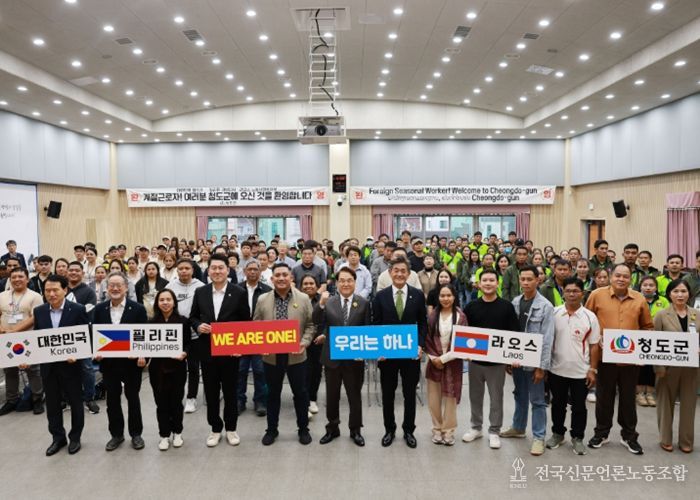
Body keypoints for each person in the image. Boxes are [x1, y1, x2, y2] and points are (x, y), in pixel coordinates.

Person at [585, 264, 653, 454]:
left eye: (625, 276)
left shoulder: (639, 298)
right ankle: (601, 433)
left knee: (628, 399)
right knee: (604, 398)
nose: (621, 279)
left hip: (630, 359)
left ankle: (629, 436)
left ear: (631, 279)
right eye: (618, 275)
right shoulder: (596, 295)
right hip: (604, 357)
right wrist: (596, 339)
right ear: (610, 276)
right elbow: (586, 321)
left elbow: (647, 327)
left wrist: (641, 349)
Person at [189, 254, 250, 447]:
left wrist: (240, 347)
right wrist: (198, 326)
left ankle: (231, 428)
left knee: (231, 392)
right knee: (211, 392)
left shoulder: (239, 292)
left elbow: (245, 322)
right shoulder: (201, 292)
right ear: (208, 271)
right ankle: (215, 428)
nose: (217, 271)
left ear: (227, 270)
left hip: (230, 352)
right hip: (207, 351)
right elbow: (193, 317)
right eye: (213, 268)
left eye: (220, 268)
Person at [254, 262, 315, 446]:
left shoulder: (303, 298)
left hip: (297, 355)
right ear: (272, 279)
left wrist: (304, 342)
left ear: (291, 277)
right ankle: (271, 430)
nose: (281, 278)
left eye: (285, 275)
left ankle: (303, 429)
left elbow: (311, 325)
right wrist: (260, 344)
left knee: (300, 393)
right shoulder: (262, 299)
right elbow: (256, 325)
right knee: (273, 394)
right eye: (277, 275)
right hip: (271, 356)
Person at [373, 256, 427, 449]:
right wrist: (378, 349)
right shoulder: (380, 296)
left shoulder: (417, 295)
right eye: (396, 270)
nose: (399, 274)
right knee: (388, 394)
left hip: (410, 354)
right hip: (387, 355)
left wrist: (420, 345)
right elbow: (376, 324)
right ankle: (389, 429)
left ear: (409, 273)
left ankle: (409, 430)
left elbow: (423, 324)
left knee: (409, 394)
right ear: (390, 272)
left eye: (403, 271)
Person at [462, 269, 519, 449]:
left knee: (496, 398)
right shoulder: (471, 307)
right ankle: (476, 428)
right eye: (484, 280)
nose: (488, 283)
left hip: (497, 364)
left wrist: (514, 356)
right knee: (475, 397)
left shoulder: (506, 306)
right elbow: (464, 332)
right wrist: (465, 353)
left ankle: (494, 431)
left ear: (497, 283)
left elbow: (514, 333)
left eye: (491, 280)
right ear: (479, 284)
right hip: (475, 362)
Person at [312, 267, 370, 446]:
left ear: (355, 282)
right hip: (332, 358)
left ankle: (355, 430)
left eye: (349, 280)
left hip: (355, 359)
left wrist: (364, 353)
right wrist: (321, 304)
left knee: (354, 396)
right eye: (342, 280)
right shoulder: (329, 302)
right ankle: (332, 428)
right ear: (336, 283)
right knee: (332, 396)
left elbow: (368, 330)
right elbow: (317, 321)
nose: (346, 284)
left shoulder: (363, 303)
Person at [33, 274, 89, 456]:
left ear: (65, 290)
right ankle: (58, 438)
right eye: (47, 290)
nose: (51, 294)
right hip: (48, 367)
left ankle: (75, 437)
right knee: (52, 404)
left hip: (71, 367)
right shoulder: (39, 311)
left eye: (55, 290)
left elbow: (85, 337)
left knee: (75, 403)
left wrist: (77, 355)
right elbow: (37, 338)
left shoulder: (78, 309)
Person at [501, 266, 554, 456]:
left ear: (538, 280)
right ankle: (518, 427)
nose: (525, 283)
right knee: (519, 394)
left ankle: (539, 437)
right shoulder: (515, 302)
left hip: (535, 362)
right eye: (522, 279)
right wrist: (508, 359)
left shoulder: (546, 306)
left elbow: (547, 339)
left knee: (538, 400)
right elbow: (509, 333)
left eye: (529, 279)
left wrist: (542, 367)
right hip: (517, 360)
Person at [93, 272, 149, 452]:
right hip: (109, 364)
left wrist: (142, 355)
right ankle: (116, 435)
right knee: (112, 401)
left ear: (126, 288)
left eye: (119, 285)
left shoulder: (138, 309)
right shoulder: (99, 309)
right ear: (106, 288)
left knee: (133, 398)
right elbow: (95, 335)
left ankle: (136, 434)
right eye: (111, 285)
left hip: (131, 364)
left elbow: (144, 335)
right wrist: (96, 351)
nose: (115, 288)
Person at [546, 277, 601, 456]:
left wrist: (592, 369)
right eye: (568, 291)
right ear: (563, 292)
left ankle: (577, 437)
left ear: (582, 293)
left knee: (579, 407)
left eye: (575, 291)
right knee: (557, 405)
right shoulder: (554, 313)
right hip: (556, 369)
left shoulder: (590, 317)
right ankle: (558, 433)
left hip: (581, 372)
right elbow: (547, 341)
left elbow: (594, 345)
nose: (571, 294)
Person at [653, 279, 698, 453]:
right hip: (667, 368)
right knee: (665, 404)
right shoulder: (661, 315)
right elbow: (654, 342)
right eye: (676, 291)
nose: (680, 295)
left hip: (691, 368)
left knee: (689, 405)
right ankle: (665, 439)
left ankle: (686, 441)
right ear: (669, 294)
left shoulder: (697, 314)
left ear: (689, 294)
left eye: (683, 291)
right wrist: (658, 368)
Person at [425, 283, 467, 446]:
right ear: (438, 297)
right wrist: (434, 359)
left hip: (452, 362)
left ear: (454, 297)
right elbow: (427, 339)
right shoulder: (432, 316)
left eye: (449, 295)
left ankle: (448, 431)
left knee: (450, 398)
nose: (445, 299)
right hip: (433, 361)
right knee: (433, 398)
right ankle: (436, 429)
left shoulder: (461, 317)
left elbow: (463, 343)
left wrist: (443, 359)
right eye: (442, 296)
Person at [148, 289, 191, 451]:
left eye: (168, 299)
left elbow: (188, 343)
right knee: (161, 402)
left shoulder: (183, 321)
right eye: (161, 300)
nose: (165, 303)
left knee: (176, 401)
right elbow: (146, 345)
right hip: (157, 369)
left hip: (177, 367)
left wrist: (184, 353)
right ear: (157, 303)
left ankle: (177, 433)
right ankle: (164, 435)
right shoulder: (151, 323)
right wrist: (141, 356)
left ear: (174, 302)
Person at [0, 267, 45, 415]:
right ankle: (12, 399)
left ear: (27, 279)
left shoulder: (35, 296)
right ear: (10, 279)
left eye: (20, 277)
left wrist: (14, 331)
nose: (17, 280)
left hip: (27, 339)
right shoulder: (2, 296)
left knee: (33, 370)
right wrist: (2, 329)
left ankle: (37, 398)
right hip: (6, 339)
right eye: (13, 277)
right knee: (9, 370)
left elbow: (35, 317)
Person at [166, 258, 205, 414]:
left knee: (194, 367)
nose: (184, 271)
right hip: (176, 334)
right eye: (181, 268)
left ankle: (191, 397)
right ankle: (176, 396)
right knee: (176, 367)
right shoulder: (171, 286)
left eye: (187, 268)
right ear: (177, 270)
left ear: (192, 270)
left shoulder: (200, 286)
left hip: (195, 334)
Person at [236, 260, 271, 417]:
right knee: (240, 370)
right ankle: (239, 400)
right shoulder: (236, 289)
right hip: (240, 335)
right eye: (249, 269)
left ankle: (260, 401)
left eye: (255, 269)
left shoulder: (268, 290)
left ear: (260, 272)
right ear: (244, 271)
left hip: (260, 335)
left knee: (260, 370)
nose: (252, 272)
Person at [65, 262, 100, 415]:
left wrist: (67, 315)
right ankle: (66, 398)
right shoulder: (61, 289)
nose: (73, 273)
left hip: (82, 334)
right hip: (63, 335)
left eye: (77, 270)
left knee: (87, 368)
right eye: (71, 270)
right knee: (64, 368)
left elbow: (87, 312)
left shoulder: (89, 292)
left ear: (82, 273)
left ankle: (89, 398)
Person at [636, 276, 669, 407]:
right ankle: (639, 393)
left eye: (651, 285)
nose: (648, 288)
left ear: (656, 287)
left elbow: (668, 317)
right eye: (645, 285)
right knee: (640, 365)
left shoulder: (663, 300)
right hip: (639, 336)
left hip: (656, 336)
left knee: (651, 366)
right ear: (640, 286)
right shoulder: (636, 298)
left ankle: (649, 393)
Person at [301, 274, 323, 417]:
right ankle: (303, 402)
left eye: (311, 283)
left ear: (317, 286)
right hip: (300, 342)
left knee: (316, 372)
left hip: (317, 341)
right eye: (305, 283)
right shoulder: (296, 299)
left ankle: (312, 399)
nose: (308, 286)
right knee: (302, 373)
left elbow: (327, 319)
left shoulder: (323, 300)